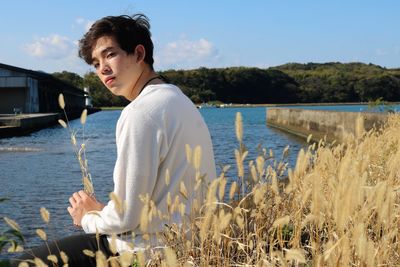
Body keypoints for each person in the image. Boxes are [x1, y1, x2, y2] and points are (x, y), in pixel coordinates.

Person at [12, 14, 216, 266]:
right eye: (95, 64)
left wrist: (87, 217)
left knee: (21, 263)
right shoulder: (179, 100)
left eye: (110, 55)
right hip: (185, 245)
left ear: (139, 54)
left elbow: (127, 216)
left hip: (143, 251)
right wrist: (102, 210)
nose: (102, 69)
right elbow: (146, 202)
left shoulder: (140, 112)